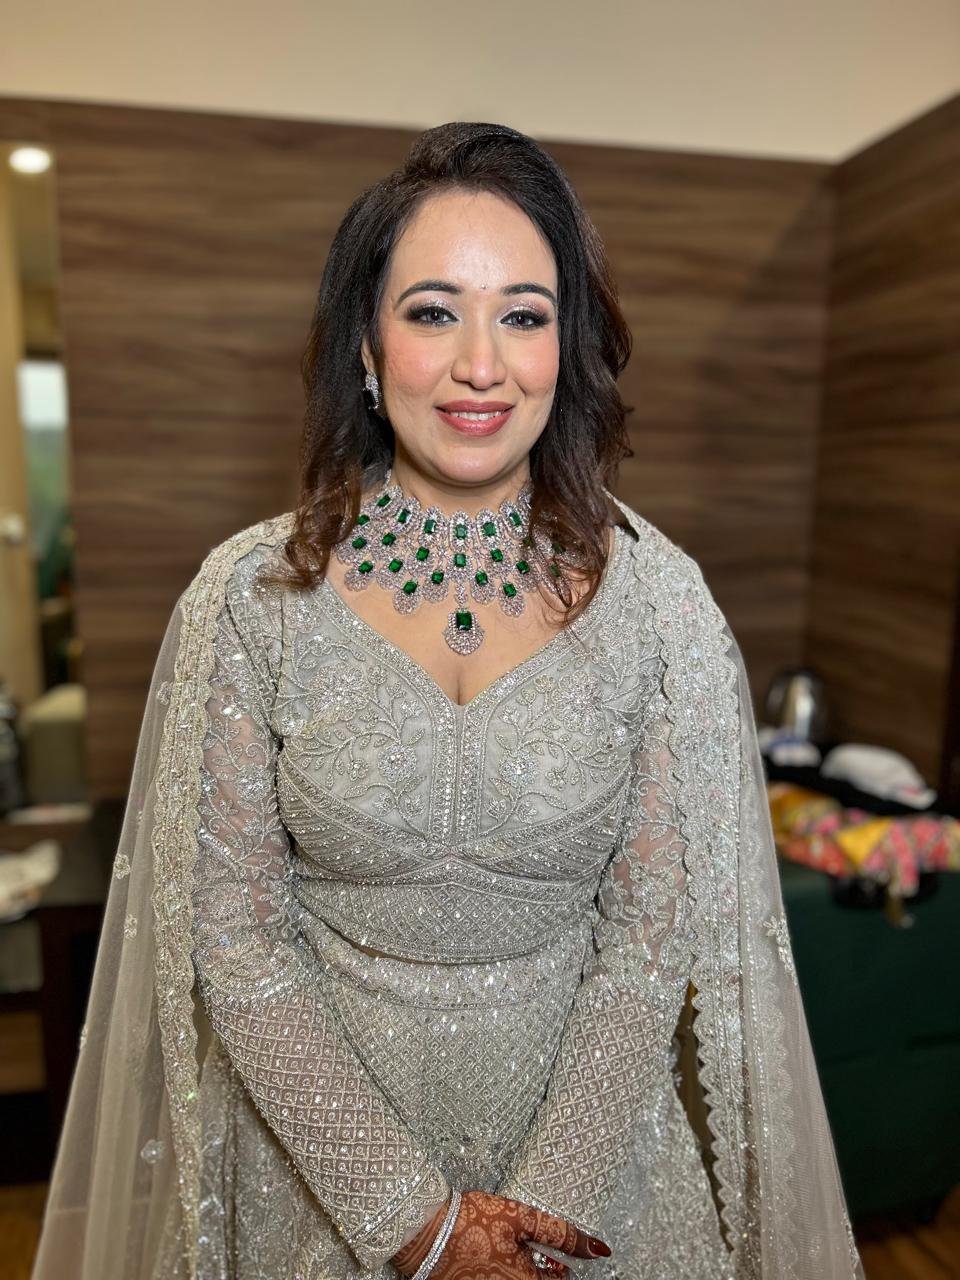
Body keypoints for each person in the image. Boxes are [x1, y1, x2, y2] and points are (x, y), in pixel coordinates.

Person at [30, 121, 865, 1280]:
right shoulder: (253, 600)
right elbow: (236, 938)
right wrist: (414, 1223)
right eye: (433, 311)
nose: (483, 363)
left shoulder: (660, 603)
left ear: (567, 346)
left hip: (595, 1183)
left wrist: (545, 1208)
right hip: (320, 1189)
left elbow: (648, 936)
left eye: (524, 314)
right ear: (367, 350)